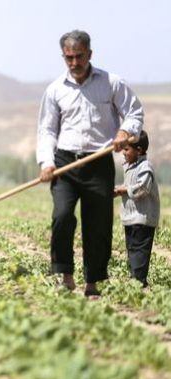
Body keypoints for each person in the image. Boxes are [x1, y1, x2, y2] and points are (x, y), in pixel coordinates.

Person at [37, 30, 143, 298]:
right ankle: (66, 276)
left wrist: (124, 132)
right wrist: (46, 162)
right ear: (63, 57)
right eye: (69, 58)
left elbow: (134, 112)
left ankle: (92, 283)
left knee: (97, 224)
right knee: (62, 216)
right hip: (65, 163)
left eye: (79, 56)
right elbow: (47, 130)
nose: (74, 63)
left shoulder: (111, 83)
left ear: (90, 54)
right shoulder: (55, 89)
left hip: (98, 162)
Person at [114, 131, 159, 288]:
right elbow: (129, 186)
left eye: (127, 149)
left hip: (143, 218)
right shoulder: (130, 166)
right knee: (132, 250)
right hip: (131, 218)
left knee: (139, 252)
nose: (123, 153)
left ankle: (138, 283)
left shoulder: (145, 167)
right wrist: (117, 191)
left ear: (139, 150)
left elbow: (142, 189)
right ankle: (136, 281)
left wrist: (124, 189)